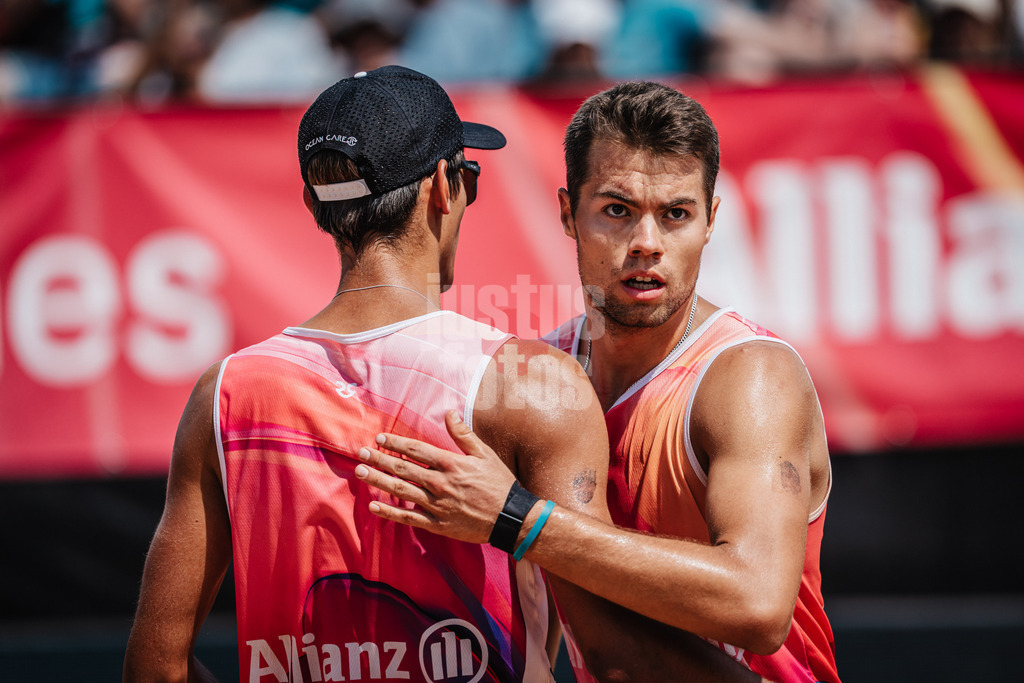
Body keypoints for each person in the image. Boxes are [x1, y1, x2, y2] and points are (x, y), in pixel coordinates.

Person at [123, 66, 764, 683]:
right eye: (469, 178)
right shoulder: (530, 383)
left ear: (314, 204)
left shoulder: (224, 394)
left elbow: (154, 668)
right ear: (442, 187)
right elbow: (611, 650)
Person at [355, 80, 841, 683]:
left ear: (711, 220)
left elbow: (758, 604)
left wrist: (520, 520)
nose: (647, 244)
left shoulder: (750, 378)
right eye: (617, 211)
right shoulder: (542, 374)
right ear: (567, 213)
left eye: (676, 215)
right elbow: (557, 623)